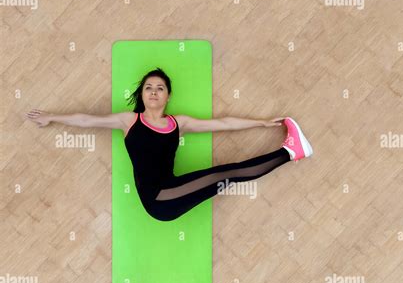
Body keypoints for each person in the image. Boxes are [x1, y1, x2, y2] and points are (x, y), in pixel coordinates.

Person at [25, 67, 313, 221]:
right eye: (149, 87)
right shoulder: (129, 121)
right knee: (225, 174)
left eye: (159, 88)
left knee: (227, 174)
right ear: (142, 94)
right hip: (157, 199)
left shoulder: (179, 124)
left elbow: (222, 123)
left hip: (170, 193)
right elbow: (88, 120)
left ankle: (291, 151)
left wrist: (260, 123)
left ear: (167, 96)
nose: (154, 91)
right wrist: (52, 118)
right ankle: (290, 151)